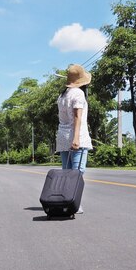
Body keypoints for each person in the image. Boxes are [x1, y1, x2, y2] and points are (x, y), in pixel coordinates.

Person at [56, 64, 93, 213]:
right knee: (77, 172)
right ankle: (73, 203)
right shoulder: (78, 93)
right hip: (76, 136)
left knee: (66, 172)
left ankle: (65, 200)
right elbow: (77, 117)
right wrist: (76, 138)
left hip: (63, 137)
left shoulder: (63, 95)